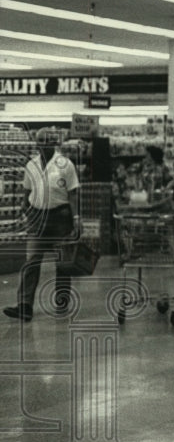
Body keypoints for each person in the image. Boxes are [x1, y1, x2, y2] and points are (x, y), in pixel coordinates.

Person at [3, 127, 80, 322]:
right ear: (37, 144)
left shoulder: (66, 165)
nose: (43, 145)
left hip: (60, 218)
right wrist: (25, 208)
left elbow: (72, 194)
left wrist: (77, 219)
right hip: (37, 218)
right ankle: (25, 306)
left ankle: (61, 302)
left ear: (54, 143)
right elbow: (25, 191)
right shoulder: (31, 165)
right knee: (31, 261)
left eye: (47, 141)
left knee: (62, 262)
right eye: (40, 141)